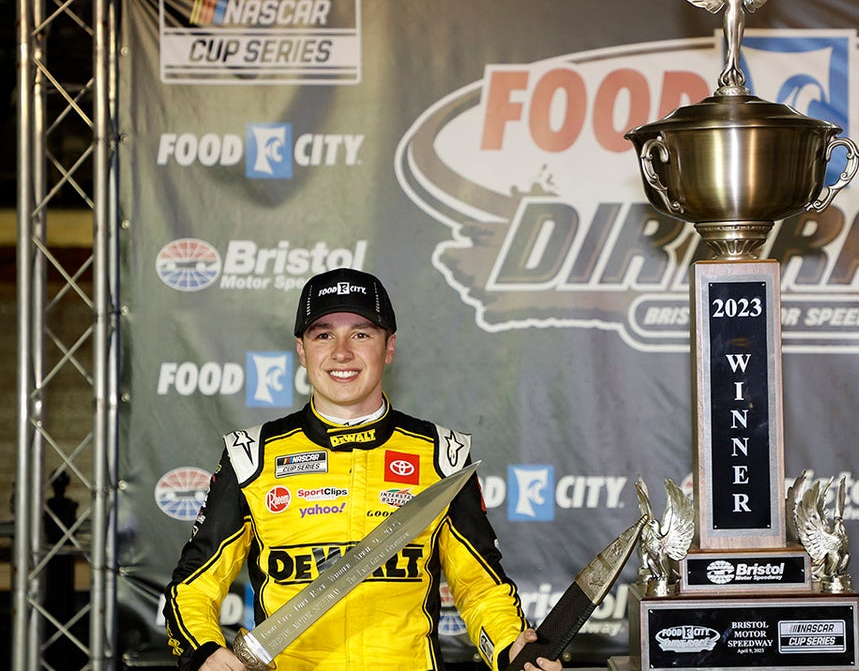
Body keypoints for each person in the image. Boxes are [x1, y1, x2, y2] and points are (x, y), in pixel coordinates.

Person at [163, 268, 561, 671]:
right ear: (301, 350)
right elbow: (194, 588)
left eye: (361, 334)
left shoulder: (444, 454)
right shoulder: (250, 456)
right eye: (322, 335)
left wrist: (511, 647)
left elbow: (480, 587)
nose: (341, 353)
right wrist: (204, 652)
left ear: (389, 347)